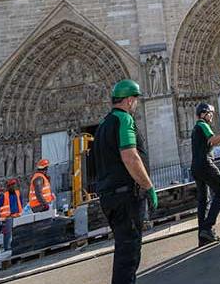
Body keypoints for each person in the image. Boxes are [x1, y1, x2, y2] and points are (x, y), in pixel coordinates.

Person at [93, 79, 158, 284]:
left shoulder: (103, 125)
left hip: (109, 197)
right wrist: (148, 187)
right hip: (125, 196)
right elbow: (130, 156)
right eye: (136, 100)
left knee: (123, 252)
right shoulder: (124, 119)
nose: (136, 104)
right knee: (129, 255)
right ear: (129, 100)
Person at [191, 102, 220, 246]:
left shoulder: (195, 129)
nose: (212, 116)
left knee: (203, 201)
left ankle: (202, 236)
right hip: (205, 164)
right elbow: (213, 141)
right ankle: (208, 227)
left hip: (195, 167)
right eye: (210, 113)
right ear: (204, 114)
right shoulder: (202, 124)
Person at [0, 178, 23, 252]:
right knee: (7, 233)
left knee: (16, 231)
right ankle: (7, 247)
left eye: (14, 185)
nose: (13, 187)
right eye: (11, 185)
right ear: (8, 187)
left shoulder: (18, 193)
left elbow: (21, 203)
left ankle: (14, 245)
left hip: (17, 216)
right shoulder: (5, 195)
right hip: (7, 217)